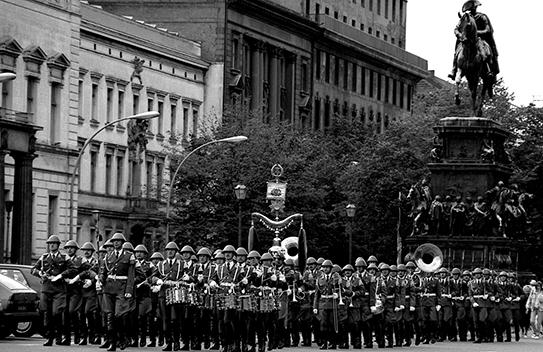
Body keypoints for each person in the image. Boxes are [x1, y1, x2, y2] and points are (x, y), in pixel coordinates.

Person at [31, 235, 77, 346]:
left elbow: (73, 269)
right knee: (46, 314)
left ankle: (59, 336)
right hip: (46, 289)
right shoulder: (44, 257)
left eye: (54, 243)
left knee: (57, 313)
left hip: (59, 289)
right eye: (50, 243)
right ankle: (49, 337)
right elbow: (33, 269)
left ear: (58, 245)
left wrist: (61, 275)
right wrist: (40, 273)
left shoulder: (64, 257)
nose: (51, 245)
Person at [98, 233, 137, 351]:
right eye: (114, 241)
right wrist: (100, 280)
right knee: (109, 315)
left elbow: (131, 274)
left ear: (122, 242)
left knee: (119, 315)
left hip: (122, 288)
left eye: (118, 241)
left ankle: (122, 338)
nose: (116, 243)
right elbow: (103, 272)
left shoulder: (129, 256)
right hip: (108, 288)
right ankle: (112, 342)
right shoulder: (108, 256)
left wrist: (129, 289)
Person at [448, 0, 499, 80]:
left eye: (474, 7)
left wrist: (476, 32)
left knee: (486, 50)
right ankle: (454, 69)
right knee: (458, 50)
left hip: (479, 39)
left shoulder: (482, 16)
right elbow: (456, 29)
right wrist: (459, 34)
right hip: (465, 39)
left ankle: (489, 69)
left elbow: (487, 29)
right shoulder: (465, 17)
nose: (473, 9)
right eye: (471, 8)